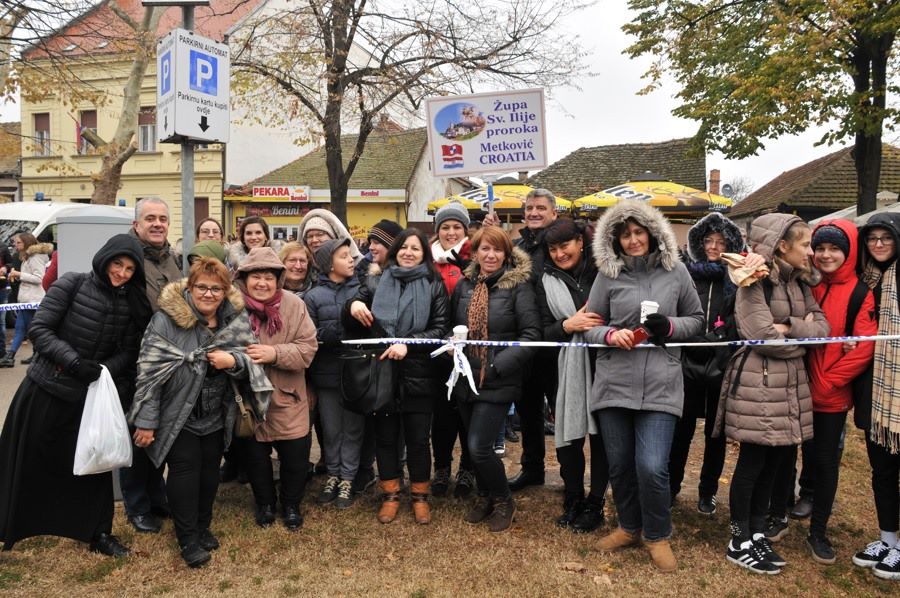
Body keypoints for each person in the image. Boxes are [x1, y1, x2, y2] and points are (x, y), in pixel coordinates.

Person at [0, 234, 150, 557]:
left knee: (92, 470)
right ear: (105, 259)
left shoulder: (132, 303)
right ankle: (11, 526)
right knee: (26, 463)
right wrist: (74, 363)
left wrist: (101, 369)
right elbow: (40, 330)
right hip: (46, 389)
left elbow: (130, 351)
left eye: (129, 269)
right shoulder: (72, 283)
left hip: (88, 399)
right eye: (118, 264)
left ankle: (98, 533)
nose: (122, 273)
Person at [583, 200, 703, 572]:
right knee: (620, 465)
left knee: (651, 466)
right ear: (615, 240)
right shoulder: (607, 275)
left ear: (652, 233)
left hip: (661, 385)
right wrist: (609, 334)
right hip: (614, 383)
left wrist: (670, 327)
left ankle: (657, 534)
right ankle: (629, 527)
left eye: (639, 232)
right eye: (625, 235)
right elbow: (589, 325)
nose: (633, 240)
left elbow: (697, 319)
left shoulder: (676, 271)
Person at [130, 257, 271, 567]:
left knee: (209, 473)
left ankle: (203, 526)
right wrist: (147, 420)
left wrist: (232, 361)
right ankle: (188, 539)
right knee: (185, 471)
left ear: (225, 292)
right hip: (178, 412)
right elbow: (149, 374)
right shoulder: (165, 320)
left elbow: (250, 358)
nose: (209, 294)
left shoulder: (233, 319)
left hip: (217, 412)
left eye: (216, 289)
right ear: (190, 288)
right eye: (202, 287)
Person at [717, 213, 829, 575]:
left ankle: (756, 532)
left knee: (774, 464)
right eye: (805, 244)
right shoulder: (754, 280)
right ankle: (739, 540)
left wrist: (790, 327)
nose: (811, 252)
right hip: (759, 386)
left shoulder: (799, 283)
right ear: (782, 245)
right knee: (753, 463)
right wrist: (801, 338)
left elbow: (823, 328)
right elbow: (762, 336)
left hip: (790, 387)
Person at [347, 229, 450, 524]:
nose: (408, 253)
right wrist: (353, 305)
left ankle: (420, 496)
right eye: (403, 247)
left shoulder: (434, 284)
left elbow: (440, 328)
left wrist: (409, 343)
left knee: (418, 439)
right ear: (395, 251)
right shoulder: (376, 280)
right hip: (382, 372)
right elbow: (354, 311)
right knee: (386, 438)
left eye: (415, 248)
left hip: (419, 373)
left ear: (424, 254)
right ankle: (390, 494)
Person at [450, 226, 540, 532]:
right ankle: (485, 496)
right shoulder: (465, 285)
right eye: (485, 249)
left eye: (497, 250)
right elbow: (451, 326)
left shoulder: (518, 286)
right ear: (475, 252)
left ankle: (504, 500)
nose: (490, 255)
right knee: (472, 445)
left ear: (506, 254)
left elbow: (531, 336)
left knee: (479, 447)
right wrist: (452, 347)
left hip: (499, 378)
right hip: (466, 377)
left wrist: (498, 366)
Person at [802, 220, 877, 564]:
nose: (826, 255)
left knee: (826, 461)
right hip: (796, 388)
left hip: (831, 394)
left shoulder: (861, 292)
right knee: (786, 457)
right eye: (820, 248)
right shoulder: (807, 284)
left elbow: (863, 347)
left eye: (834, 248)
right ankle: (782, 511)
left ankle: (818, 531)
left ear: (849, 252)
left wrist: (829, 382)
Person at [235, 248, 318, 530]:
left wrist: (274, 353)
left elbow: (307, 349)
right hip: (249, 399)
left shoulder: (294, 305)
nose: (262, 283)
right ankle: (265, 504)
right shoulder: (232, 307)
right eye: (255, 277)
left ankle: (291, 504)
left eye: (268, 277)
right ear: (244, 279)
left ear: (278, 280)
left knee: (295, 457)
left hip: (288, 395)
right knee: (255, 457)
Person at [535, 218, 609, 533]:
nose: (559, 254)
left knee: (602, 437)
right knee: (568, 439)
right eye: (553, 249)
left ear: (580, 242)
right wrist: (567, 325)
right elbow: (539, 330)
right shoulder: (544, 279)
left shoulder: (605, 272)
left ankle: (596, 502)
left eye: (564, 245)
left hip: (605, 365)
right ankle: (573, 496)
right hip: (563, 370)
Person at [667, 212, 744, 515]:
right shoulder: (685, 274)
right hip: (687, 360)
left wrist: (722, 335)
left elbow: (741, 316)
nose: (713, 247)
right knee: (681, 430)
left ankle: (708, 491)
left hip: (721, 362)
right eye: (708, 240)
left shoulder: (737, 277)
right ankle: (671, 486)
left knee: (715, 433)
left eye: (720, 242)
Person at [121, 197, 182, 535]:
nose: (157, 224)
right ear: (137, 225)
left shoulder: (171, 259)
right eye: (150, 219)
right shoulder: (128, 257)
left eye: (162, 218)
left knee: (158, 432)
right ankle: (137, 505)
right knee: (139, 435)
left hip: (168, 361)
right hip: (137, 362)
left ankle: (157, 497)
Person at [852, 212, 900, 580]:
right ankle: (887, 540)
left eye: (886, 238)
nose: (878, 244)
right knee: (881, 469)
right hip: (873, 388)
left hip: (897, 388)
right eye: (872, 238)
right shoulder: (865, 280)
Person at [503, 189, 558, 492]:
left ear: (554, 213)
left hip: (557, 339)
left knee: (562, 412)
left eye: (540, 208)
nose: (534, 213)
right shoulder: (517, 247)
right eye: (529, 208)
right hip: (524, 340)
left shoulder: (560, 244)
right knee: (528, 411)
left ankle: (571, 473)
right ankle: (532, 468)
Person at [305, 239, 363, 509]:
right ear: (329, 264)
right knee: (331, 430)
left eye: (350, 255)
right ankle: (333, 474)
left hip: (355, 374)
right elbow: (308, 334)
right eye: (343, 256)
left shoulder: (362, 290)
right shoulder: (313, 296)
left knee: (353, 429)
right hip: (327, 374)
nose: (351, 260)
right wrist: (329, 334)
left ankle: (348, 478)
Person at [430, 202, 476, 498]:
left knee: (467, 413)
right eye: (445, 227)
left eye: (456, 227)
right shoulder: (428, 260)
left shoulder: (476, 257)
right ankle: (442, 467)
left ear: (465, 230)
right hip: (437, 347)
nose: (450, 232)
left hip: (469, 347)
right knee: (442, 414)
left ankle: (468, 469)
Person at [0, 233, 52, 368]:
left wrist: (19, 274)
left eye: (18, 243)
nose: (15, 245)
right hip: (26, 299)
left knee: (29, 329)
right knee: (21, 328)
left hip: (33, 299)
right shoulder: (28, 256)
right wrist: (18, 276)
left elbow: (39, 278)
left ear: (27, 243)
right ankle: (12, 356)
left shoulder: (35, 257)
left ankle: (22, 356)